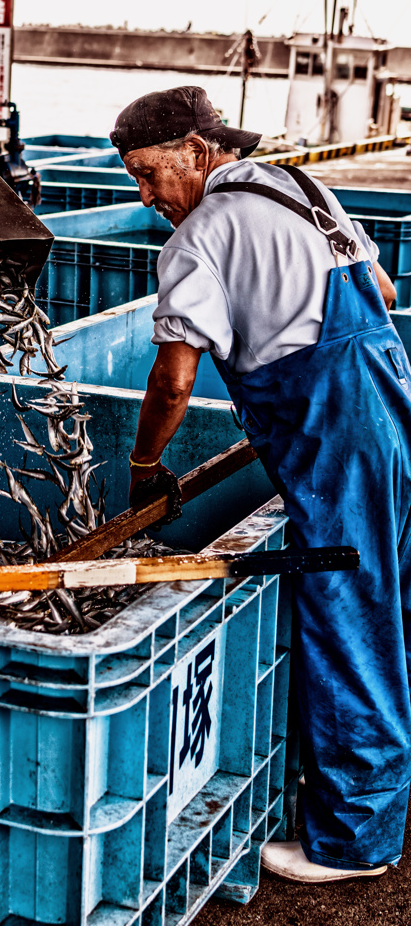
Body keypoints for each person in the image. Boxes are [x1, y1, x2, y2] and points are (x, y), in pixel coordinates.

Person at [111, 85, 411, 883]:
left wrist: (145, 468)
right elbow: (380, 295)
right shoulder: (295, 186)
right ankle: (385, 785)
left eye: (148, 175)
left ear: (196, 152)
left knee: (347, 620)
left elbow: (174, 382)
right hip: (387, 404)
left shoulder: (198, 237)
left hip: (333, 435)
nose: (147, 199)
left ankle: (357, 841)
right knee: (393, 602)